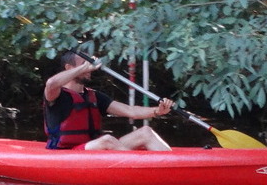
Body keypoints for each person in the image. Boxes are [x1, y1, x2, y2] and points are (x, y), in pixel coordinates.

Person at [44, 51, 173, 151]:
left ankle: (171, 164)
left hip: (92, 149)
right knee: (106, 140)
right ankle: (140, 167)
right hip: (67, 153)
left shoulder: (94, 96)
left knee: (145, 132)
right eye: (83, 63)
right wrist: (84, 68)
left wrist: (157, 111)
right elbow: (51, 83)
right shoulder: (57, 94)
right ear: (69, 67)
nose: (89, 68)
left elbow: (130, 111)